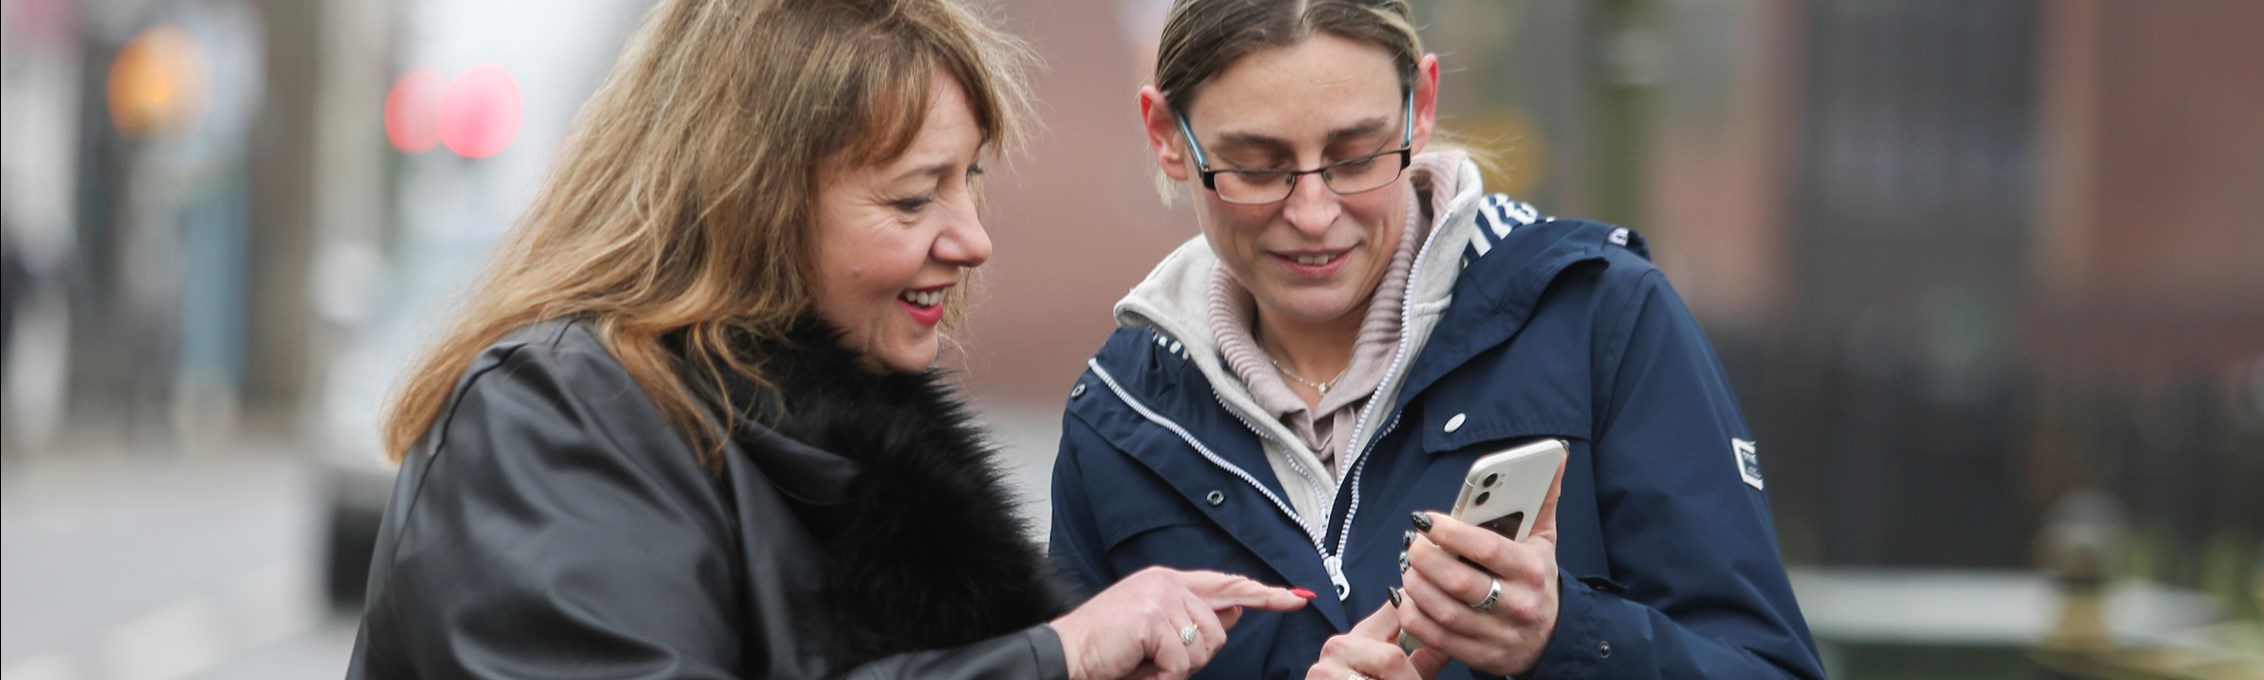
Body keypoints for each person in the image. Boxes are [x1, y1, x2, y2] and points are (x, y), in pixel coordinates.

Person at [345, 0, 1311, 677]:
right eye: (911, 196)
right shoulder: (551, 415)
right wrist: (1053, 657)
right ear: (749, 204)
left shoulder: (842, 431)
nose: (972, 239)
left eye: (970, 179)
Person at [1046, 0, 1824, 677]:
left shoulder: (1602, 318)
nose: (1315, 213)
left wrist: (1562, 638)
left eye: (1356, 154)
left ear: (1421, 106)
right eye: (1256, 166)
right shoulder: (1116, 416)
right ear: (1166, 136)